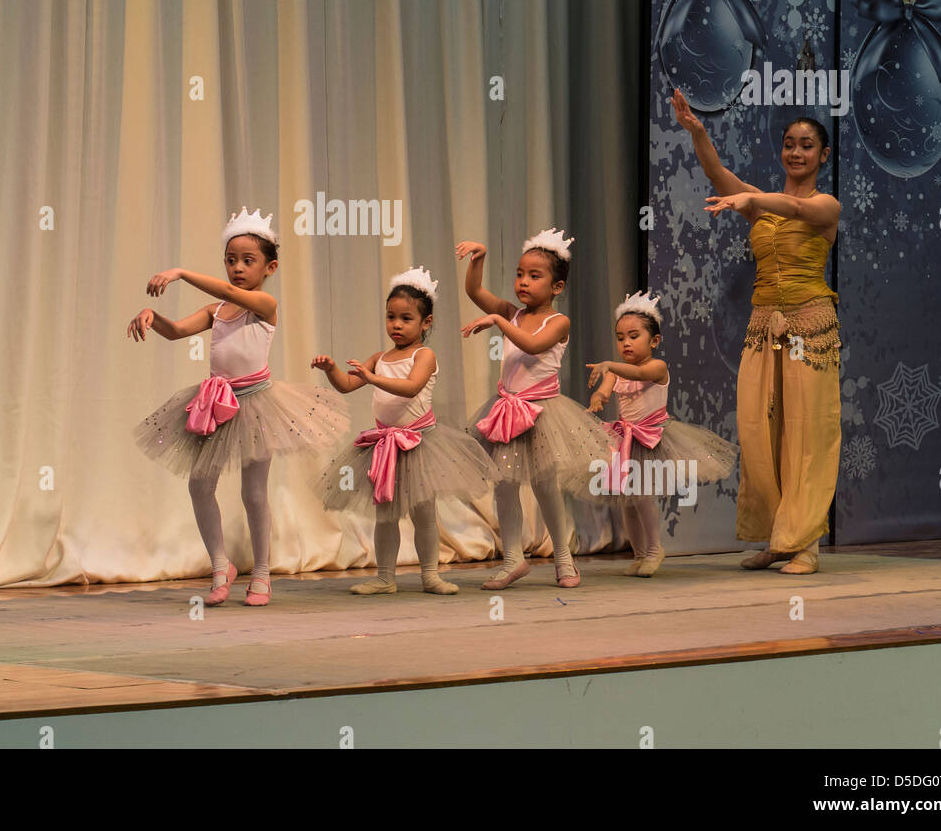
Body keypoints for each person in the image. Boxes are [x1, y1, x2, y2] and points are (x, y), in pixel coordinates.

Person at [129, 207, 349, 605]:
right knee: (199, 485)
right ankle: (220, 566)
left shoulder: (264, 303)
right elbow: (177, 331)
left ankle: (262, 573)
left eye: (248, 261)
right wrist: (152, 315)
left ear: (270, 267)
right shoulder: (217, 312)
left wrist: (180, 272)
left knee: (254, 492)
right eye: (231, 260)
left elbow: (232, 294)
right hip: (217, 404)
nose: (237, 268)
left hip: (257, 406)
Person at [672, 89, 841, 575]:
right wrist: (698, 133)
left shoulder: (826, 205)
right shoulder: (761, 205)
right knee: (760, 432)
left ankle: (805, 542)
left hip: (810, 326)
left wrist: (752, 198)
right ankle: (778, 538)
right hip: (764, 325)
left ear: (822, 155)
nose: (796, 151)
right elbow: (717, 176)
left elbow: (796, 211)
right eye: (790, 143)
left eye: (807, 144)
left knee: (807, 434)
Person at [314, 267, 489, 595]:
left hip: (420, 444)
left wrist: (372, 377)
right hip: (384, 445)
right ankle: (385, 577)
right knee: (384, 515)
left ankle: (430, 575)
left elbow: (410, 388)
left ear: (426, 322)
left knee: (424, 512)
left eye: (406, 318)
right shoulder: (380, 357)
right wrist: (332, 369)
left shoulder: (425, 354)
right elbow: (347, 385)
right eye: (391, 317)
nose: (396, 324)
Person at [457, 230, 614, 589]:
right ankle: (513, 558)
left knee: (545, 487)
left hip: (542, 414)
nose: (523, 282)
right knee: (504, 485)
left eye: (534, 276)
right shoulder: (512, 313)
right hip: (506, 410)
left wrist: (498, 322)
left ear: (557, 287)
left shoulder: (558, 323)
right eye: (519, 274)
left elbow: (531, 344)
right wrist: (479, 258)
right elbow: (474, 292)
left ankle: (563, 557)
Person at [585, 290, 737, 577]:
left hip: (651, 439)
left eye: (633, 336)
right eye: (620, 338)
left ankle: (655, 549)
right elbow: (606, 390)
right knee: (626, 502)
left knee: (642, 496)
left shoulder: (657, 367)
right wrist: (598, 399)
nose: (626, 343)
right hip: (625, 440)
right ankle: (639, 553)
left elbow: (640, 375)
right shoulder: (616, 371)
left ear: (654, 340)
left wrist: (609, 366)